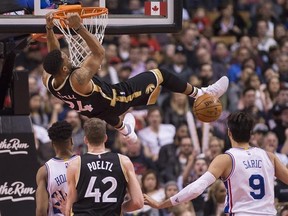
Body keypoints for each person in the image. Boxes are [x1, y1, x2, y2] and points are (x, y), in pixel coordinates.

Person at [42, 13, 229, 144]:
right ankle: (201, 93)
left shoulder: (49, 81)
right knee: (159, 74)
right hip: (117, 99)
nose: (67, 55)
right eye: (65, 57)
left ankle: (126, 131)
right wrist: (79, 27)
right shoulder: (78, 78)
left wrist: (49, 29)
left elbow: (53, 53)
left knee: (100, 110)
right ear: (65, 68)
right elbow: (99, 53)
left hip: (96, 110)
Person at [144, 111, 288, 215]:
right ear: (251, 134)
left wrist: (161, 204)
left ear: (229, 133)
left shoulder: (226, 159)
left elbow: (196, 188)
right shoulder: (269, 157)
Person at [65, 118, 143, 215]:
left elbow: (69, 208)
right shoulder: (123, 161)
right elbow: (138, 202)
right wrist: (119, 207)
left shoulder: (75, 164)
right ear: (105, 138)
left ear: (85, 139)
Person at [36, 121, 79, 216]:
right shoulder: (84, 164)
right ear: (72, 141)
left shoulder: (44, 171)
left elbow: (41, 210)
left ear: (52, 144)